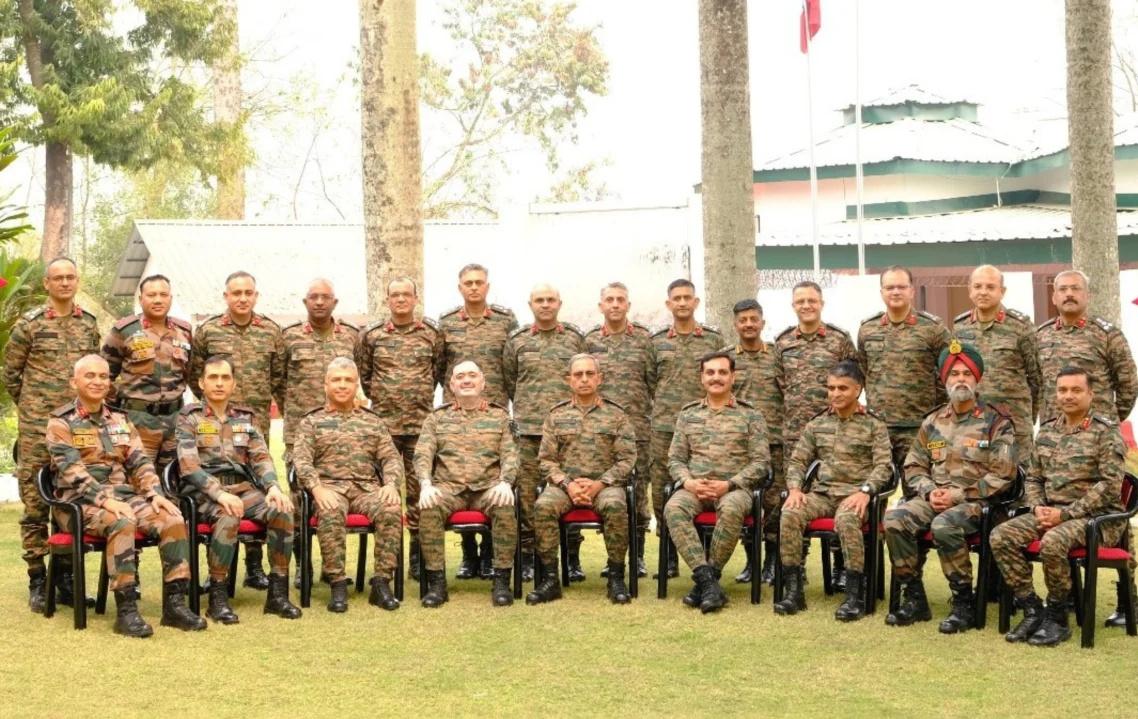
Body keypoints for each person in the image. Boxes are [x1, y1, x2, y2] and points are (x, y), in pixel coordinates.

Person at [46, 354, 205, 637]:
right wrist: (106, 501)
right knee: (122, 521)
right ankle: (126, 610)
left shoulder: (120, 419)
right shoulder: (61, 423)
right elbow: (73, 472)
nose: (98, 381)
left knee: (172, 518)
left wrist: (155, 493)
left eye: (103, 376)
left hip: (124, 497)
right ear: (74, 382)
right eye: (90, 376)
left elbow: (140, 462)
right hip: (78, 504)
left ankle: (175, 605)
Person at [883, 340, 1016, 633]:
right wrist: (929, 490)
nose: (960, 380)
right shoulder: (933, 422)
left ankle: (963, 603)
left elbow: (1003, 475)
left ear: (977, 379)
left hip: (977, 503)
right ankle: (914, 597)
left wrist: (958, 495)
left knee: (944, 525)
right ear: (945, 379)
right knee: (894, 519)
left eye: (967, 374)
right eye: (954, 374)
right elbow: (913, 465)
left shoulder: (996, 422)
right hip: (934, 496)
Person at [991, 367, 1127, 646]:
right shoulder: (1047, 431)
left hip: (1098, 520)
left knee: (1053, 541)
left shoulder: (1105, 433)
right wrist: (1037, 507)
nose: (1068, 396)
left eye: (1076, 390)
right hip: (1051, 512)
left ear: (1091, 394)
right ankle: (1032, 608)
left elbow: (1109, 486)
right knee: (1001, 535)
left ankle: (1058, 616)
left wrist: (1065, 514)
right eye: (1062, 390)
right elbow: (1034, 477)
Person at [1036, 269, 1138, 626]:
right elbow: (1037, 383)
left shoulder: (1106, 334)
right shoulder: (1041, 336)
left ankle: (1128, 602)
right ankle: (1067, 599)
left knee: (1112, 513)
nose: (1069, 294)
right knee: (1060, 513)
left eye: (1075, 289)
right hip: (1056, 440)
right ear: (1053, 296)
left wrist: (1106, 421)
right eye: (1062, 289)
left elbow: (1128, 383)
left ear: (1086, 295)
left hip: (1097, 441)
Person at [3, 257, 101, 612]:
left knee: (71, 500)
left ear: (77, 281)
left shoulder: (88, 325)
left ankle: (65, 580)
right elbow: (10, 374)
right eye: (57, 278)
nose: (64, 283)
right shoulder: (29, 325)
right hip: (37, 429)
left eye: (70, 277)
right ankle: (37, 578)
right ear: (46, 283)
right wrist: (34, 408)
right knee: (35, 504)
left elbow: (94, 372)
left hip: (77, 428)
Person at [175, 355, 302, 623]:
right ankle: (218, 598)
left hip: (243, 489)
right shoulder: (189, 418)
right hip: (204, 492)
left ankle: (277, 595)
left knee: (281, 510)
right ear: (201, 383)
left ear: (233, 384)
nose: (219, 383)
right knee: (229, 514)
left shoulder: (245, 419)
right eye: (213, 377)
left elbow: (261, 457)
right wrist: (220, 494)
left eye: (225, 378)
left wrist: (273, 487)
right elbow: (189, 467)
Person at [773, 361, 892, 621]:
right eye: (831, 388)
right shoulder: (817, 424)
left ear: (858, 389)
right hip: (823, 496)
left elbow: (884, 466)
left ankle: (854, 596)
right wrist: (794, 488)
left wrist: (865, 491)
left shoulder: (874, 425)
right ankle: (794, 592)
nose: (835, 394)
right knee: (790, 513)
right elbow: (797, 461)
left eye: (842, 388)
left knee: (847, 518)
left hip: (855, 497)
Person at [189, 270, 285, 590]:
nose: (242, 298)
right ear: (226, 296)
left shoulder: (271, 331)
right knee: (218, 490)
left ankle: (254, 567)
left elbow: (279, 377)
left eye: (248, 293)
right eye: (236, 293)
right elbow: (196, 374)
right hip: (213, 424)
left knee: (255, 485)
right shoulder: (208, 331)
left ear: (256, 296)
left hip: (252, 425)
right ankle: (218, 569)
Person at [291, 358, 404, 613]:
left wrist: (390, 485)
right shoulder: (311, 421)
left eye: (348, 380)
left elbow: (391, 458)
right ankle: (338, 583)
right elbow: (301, 460)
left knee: (390, 509)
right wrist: (316, 489)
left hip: (366, 490)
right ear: (326, 384)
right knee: (330, 511)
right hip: (329, 489)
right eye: (336, 380)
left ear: (356, 385)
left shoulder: (372, 421)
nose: (342, 385)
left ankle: (381, 583)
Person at [664, 352, 770, 613]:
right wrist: (687, 482)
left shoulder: (750, 415)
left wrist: (730, 484)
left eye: (723, 372)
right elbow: (675, 459)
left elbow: (761, 462)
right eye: (710, 372)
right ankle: (707, 582)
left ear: (733, 377)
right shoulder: (688, 414)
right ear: (701, 377)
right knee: (673, 508)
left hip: (734, 489)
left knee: (732, 508)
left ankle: (706, 581)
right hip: (695, 488)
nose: (716, 377)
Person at [528, 354, 637, 605]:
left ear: (600, 378)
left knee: (615, 505)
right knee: (543, 506)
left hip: (606, 486)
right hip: (565, 486)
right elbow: (546, 460)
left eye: (590, 374)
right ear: (569, 380)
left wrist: (600, 483)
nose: (584, 379)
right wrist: (568, 484)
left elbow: (627, 459)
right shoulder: (556, 415)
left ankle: (616, 577)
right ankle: (550, 579)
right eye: (578, 374)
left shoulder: (617, 415)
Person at [357, 277, 443, 581]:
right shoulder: (372, 335)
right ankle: (387, 562)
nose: (401, 299)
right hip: (384, 429)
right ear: (387, 299)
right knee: (385, 495)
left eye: (407, 294)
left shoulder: (432, 334)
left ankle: (418, 558)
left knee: (420, 494)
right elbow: (365, 376)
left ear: (415, 298)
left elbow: (438, 372)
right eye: (395, 295)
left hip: (420, 428)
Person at [415, 360, 518, 607]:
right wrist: (426, 484)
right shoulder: (437, 418)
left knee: (504, 506)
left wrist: (506, 482)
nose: (467, 380)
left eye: (472, 375)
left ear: (482, 383)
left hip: (487, 488)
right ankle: (437, 584)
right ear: (451, 385)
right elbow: (422, 454)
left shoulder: (500, 416)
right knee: (429, 507)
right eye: (460, 377)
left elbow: (511, 454)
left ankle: (502, 581)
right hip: (449, 489)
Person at [437, 263, 518, 578]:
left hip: (492, 413)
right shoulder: (446, 322)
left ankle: (490, 555)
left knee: (492, 480)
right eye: (468, 283)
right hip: (456, 414)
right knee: (459, 478)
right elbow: (439, 366)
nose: (473, 287)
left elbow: (511, 365)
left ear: (487, 286)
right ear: (460, 288)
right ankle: (469, 554)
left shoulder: (505, 321)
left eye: (479, 282)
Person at [775, 280, 857, 589]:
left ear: (821, 303)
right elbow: (780, 383)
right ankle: (796, 567)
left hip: (835, 432)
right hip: (796, 433)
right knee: (797, 498)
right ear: (793, 305)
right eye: (801, 301)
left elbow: (852, 377)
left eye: (812, 300)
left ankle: (840, 566)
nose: (806, 306)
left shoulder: (839, 339)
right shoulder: (783, 342)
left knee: (835, 493)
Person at [503, 283, 586, 580]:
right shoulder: (517, 340)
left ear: (559, 303)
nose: (546, 304)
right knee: (527, 498)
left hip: (568, 432)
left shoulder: (574, 339)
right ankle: (528, 557)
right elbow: (510, 381)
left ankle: (572, 557)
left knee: (571, 491)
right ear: (531, 305)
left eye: (551, 299)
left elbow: (583, 376)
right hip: (528, 432)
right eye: (540, 300)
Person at [649, 279, 723, 578]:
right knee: (661, 492)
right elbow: (650, 381)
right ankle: (668, 557)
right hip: (664, 427)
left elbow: (721, 377)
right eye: (676, 298)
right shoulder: (655, 342)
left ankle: (703, 556)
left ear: (696, 302)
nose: (682, 302)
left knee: (703, 486)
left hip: (703, 427)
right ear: (669, 304)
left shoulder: (712, 340)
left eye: (687, 297)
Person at [585, 282, 655, 579]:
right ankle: (611, 557)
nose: (615, 304)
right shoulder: (589, 341)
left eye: (620, 300)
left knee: (637, 494)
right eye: (609, 300)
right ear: (601, 305)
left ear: (628, 305)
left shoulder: (644, 339)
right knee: (606, 493)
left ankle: (637, 556)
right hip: (600, 433)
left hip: (637, 430)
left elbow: (653, 381)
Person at [857, 266, 950, 482]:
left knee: (919, 487)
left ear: (912, 291)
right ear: (882, 292)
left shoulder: (933, 328)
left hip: (919, 426)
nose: (896, 292)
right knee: (875, 488)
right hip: (880, 427)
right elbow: (863, 370)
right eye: (890, 287)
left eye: (901, 287)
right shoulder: (868, 329)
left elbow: (949, 371)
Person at [101, 273, 193, 468]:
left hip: (175, 421)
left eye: (163, 295)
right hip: (138, 421)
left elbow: (192, 373)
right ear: (140, 299)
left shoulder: (184, 332)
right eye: (151, 295)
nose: (158, 300)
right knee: (140, 475)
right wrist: (119, 408)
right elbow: (103, 375)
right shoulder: (124, 331)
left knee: (173, 477)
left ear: (171, 298)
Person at [951, 264, 1041, 461]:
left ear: (1002, 291)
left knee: (1019, 476)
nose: (983, 292)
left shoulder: (1020, 326)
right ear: (969, 290)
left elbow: (1036, 377)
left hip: (1014, 422)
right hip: (974, 423)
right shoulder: (960, 327)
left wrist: (1028, 415)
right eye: (978, 286)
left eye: (990, 287)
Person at [722, 299, 783, 585]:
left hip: (774, 441)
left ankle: (772, 561)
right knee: (744, 501)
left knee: (774, 504)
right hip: (739, 444)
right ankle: (750, 561)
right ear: (735, 325)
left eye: (753, 319)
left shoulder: (777, 356)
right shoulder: (726, 359)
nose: (748, 324)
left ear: (762, 322)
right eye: (743, 320)